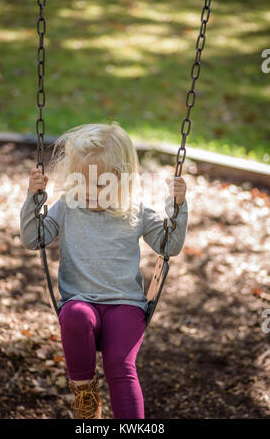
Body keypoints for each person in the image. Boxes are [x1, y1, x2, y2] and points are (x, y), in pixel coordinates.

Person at [20, 121, 188, 419]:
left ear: (122, 181)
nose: (90, 192)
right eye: (82, 182)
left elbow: (168, 246)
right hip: (80, 300)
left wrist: (177, 206)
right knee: (75, 315)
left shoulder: (135, 209)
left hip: (125, 305)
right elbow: (35, 239)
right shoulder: (67, 207)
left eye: (100, 184)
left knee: (119, 366)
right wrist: (34, 199)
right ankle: (85, 396)